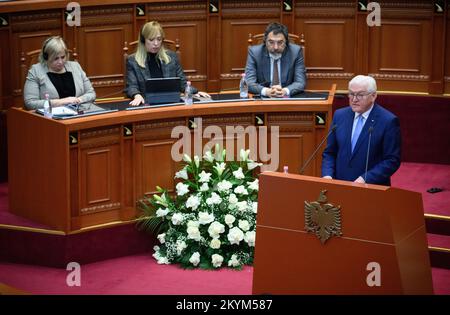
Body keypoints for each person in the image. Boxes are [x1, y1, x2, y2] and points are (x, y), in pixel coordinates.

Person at [321, 75, 401, 186]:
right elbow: (329, 153)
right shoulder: (339, 115)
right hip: (339, 185)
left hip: (371, 188)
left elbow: (392, 160)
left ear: (373, 96)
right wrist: (327, 175)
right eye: (351, 94)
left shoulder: (388, 121)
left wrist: (365, 179)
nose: (354, 99)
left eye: (360, 95)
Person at [126, 21, 209, 106]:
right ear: (143, 40)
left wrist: (194, 92)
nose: (156, 43)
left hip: (171, 104)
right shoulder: (133, 61)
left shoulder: (171, 57)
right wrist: (137, 95)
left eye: (159, 39)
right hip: (146, 104)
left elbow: (182, 83)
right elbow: (132, 86)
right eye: (151, 39)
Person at [23, 36, 96, 110]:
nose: (60, 62)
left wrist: (78, 100)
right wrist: (62, 102)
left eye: (63, 57)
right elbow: (30, 103)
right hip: (50, 117)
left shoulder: (75, 66)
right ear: (46, 57)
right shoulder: (36, 70)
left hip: (79, 113)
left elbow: (91, 93)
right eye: (56, 58)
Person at [244, 22, 306, 98]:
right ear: (265, 41)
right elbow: (249, 83)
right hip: (263, 99)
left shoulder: (295, 52)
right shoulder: (255, 53)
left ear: (286, 42)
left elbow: (300, 82)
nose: (276, 47)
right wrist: (266, 91)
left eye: (280, 42)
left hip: (287, 98)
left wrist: (284, 91)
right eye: (271, 42)